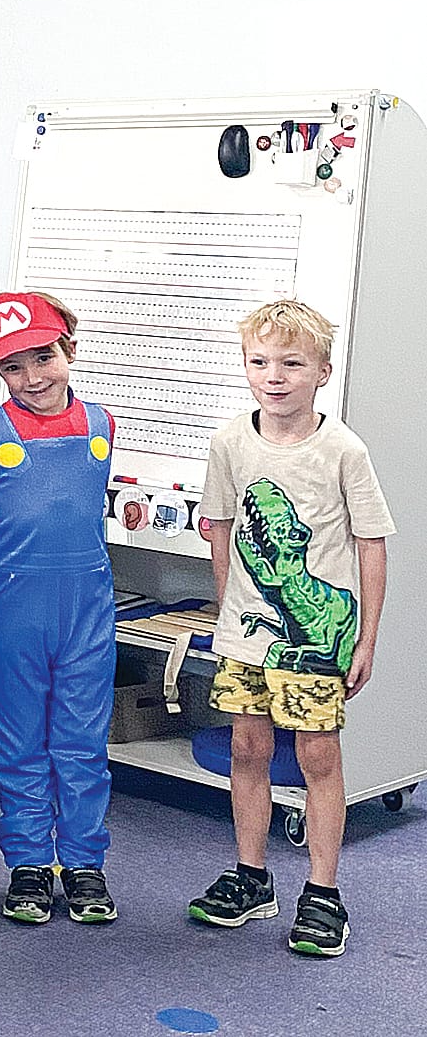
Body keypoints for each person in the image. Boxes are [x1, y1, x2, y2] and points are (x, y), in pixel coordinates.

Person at [186, 300, 392, 958]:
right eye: (259, 362)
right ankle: (251, 877)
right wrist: (228, 613)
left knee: (316, 757)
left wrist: (364, 640)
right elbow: (221, 529)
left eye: (291, 364)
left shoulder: (343, 450)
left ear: (321, 372)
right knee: (247, 747)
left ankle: (323, 892)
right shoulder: (229, 442)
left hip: (318, 640)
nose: (273, 376)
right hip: (246, 636)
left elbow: (371, 543)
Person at [0, 291, 118, 925]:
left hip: (86, 609)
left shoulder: (102, 426)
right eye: (12, 367)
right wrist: (0, 588)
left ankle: (83, 863)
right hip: (12, 609)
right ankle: (27, 862)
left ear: (69, 350)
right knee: (18, 738)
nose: (32, 377)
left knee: (82, 740)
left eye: (43, 358)